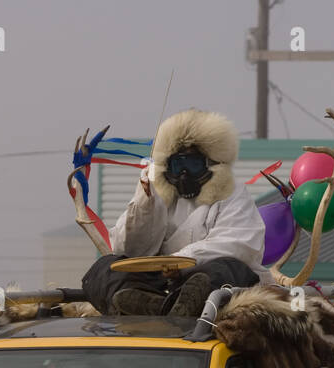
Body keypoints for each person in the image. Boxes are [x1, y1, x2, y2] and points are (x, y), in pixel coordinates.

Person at [82, 109, 266, 318]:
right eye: (178, 165)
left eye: (193, 165)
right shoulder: (155, 191)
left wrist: (181, 262)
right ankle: (161, 307)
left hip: (202, 279)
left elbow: (237, 244)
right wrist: (145, 201)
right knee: (104, 268)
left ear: (212, 164)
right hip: (158, 284)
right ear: (166, 165)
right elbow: (129, 248)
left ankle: (180, 306)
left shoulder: (232, 194)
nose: (184, 174)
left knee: (225, 269)